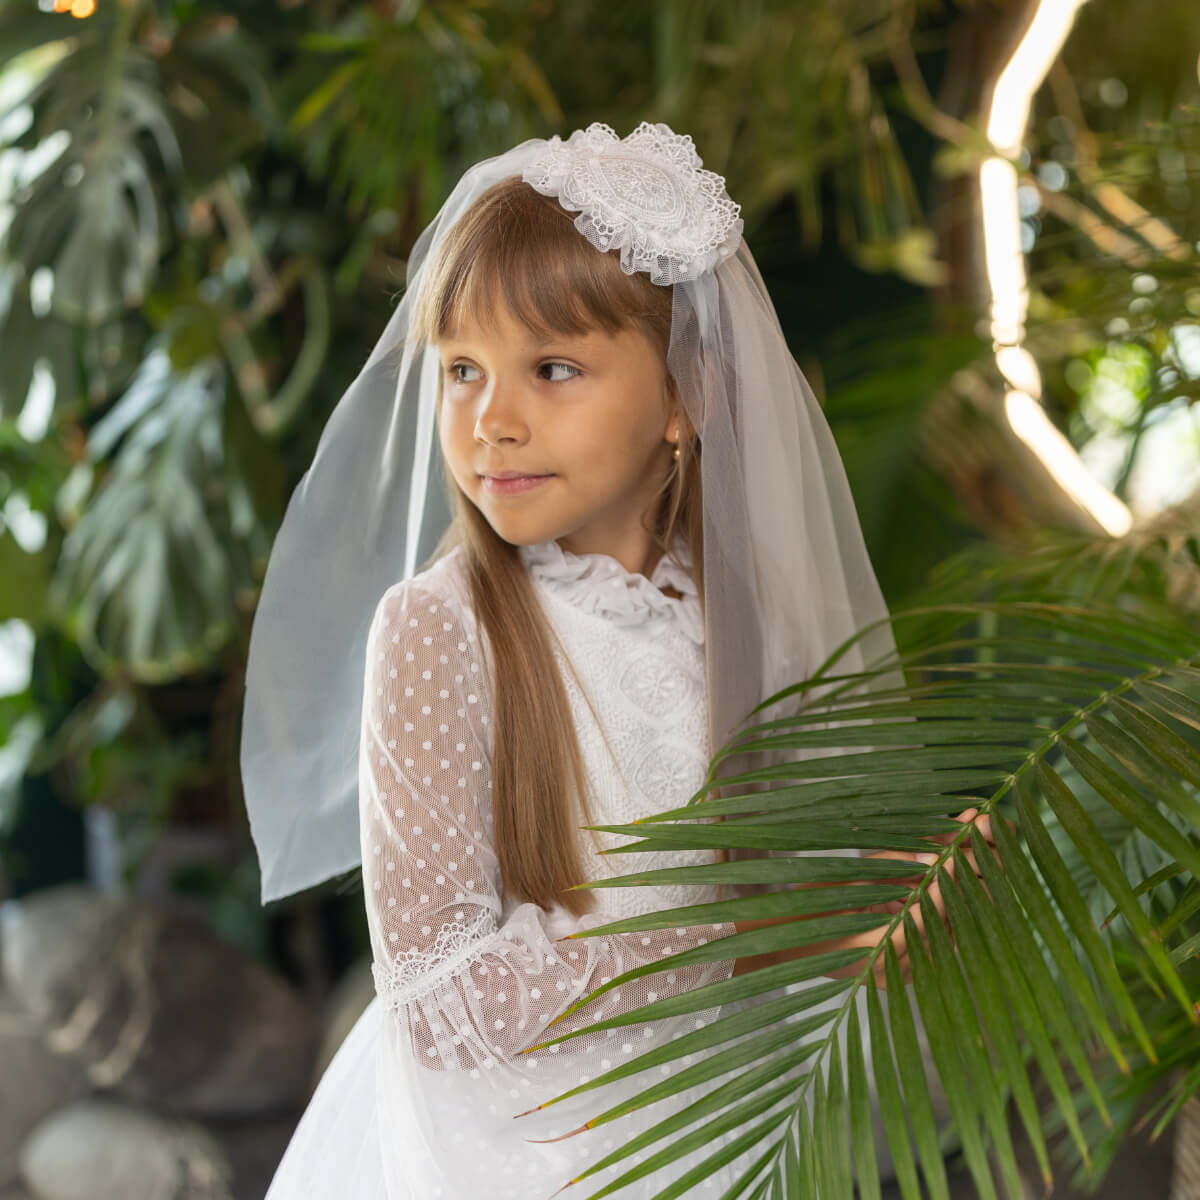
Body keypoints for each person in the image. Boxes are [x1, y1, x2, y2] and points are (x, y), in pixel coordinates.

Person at [240, 121, 996, 1199]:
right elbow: (445, 1002)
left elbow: (807, 879)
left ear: (683, 397)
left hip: (718, 1134)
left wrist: (910, 878)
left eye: (553, 368)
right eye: (460, 368)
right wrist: (744, 938)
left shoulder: (736, 612)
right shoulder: (439, 629)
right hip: (511, 1158)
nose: (491, 418)